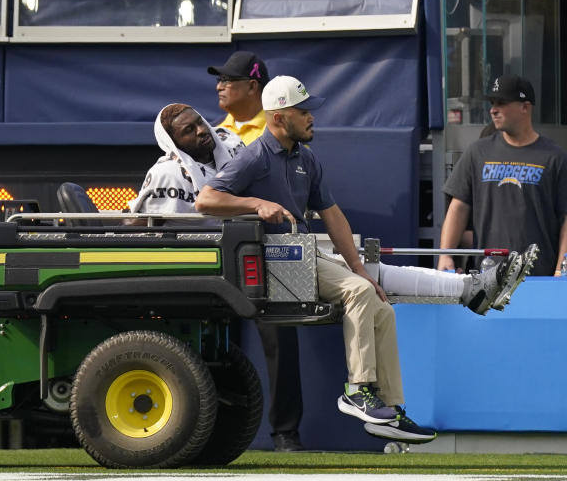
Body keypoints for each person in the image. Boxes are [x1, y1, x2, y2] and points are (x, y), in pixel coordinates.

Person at [196, 75, 535, 443]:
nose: (312, 117)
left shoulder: (305, 159)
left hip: (299, 258)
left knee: (380, 304)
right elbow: (206, 200)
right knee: (359, 292)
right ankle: (358, 390)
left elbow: (334, 216)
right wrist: (256, 204)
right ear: (278, 118)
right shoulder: (254, 156)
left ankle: (389, 411)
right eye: (303, 110)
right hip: (274, 264)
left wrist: (359, 269)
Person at [209, 51, 305, 452]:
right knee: (211, 340)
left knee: (282, 341)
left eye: (229, 80)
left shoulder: (282, 128)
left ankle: (286, 432)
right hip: (219, 248)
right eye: (219, 80)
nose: (219, 86)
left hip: (273, 249)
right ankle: (210, 427)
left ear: (255, 87)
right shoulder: (210, 132)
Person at [439, 75, 567, 278]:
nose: (493, 110)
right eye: (492, 103)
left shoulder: (554, 157)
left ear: (525, 107)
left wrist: (562, 267)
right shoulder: (477, 152)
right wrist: (445, 254)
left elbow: (565, 219)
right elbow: (459, 206)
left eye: (502, 103)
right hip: (486, 276)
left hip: (538, 276)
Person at [127, 103, 242, 219]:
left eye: (200, 121)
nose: (201, 130)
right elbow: (141, 224)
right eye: (189, 130)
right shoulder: (167, 174)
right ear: (174, 143)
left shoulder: (231, 142)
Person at [209, 51, 270, 147]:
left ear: (252, 86)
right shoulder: (213, 130)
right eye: (219, 80)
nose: (219, 87)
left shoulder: (278, 129)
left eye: (226, 80)